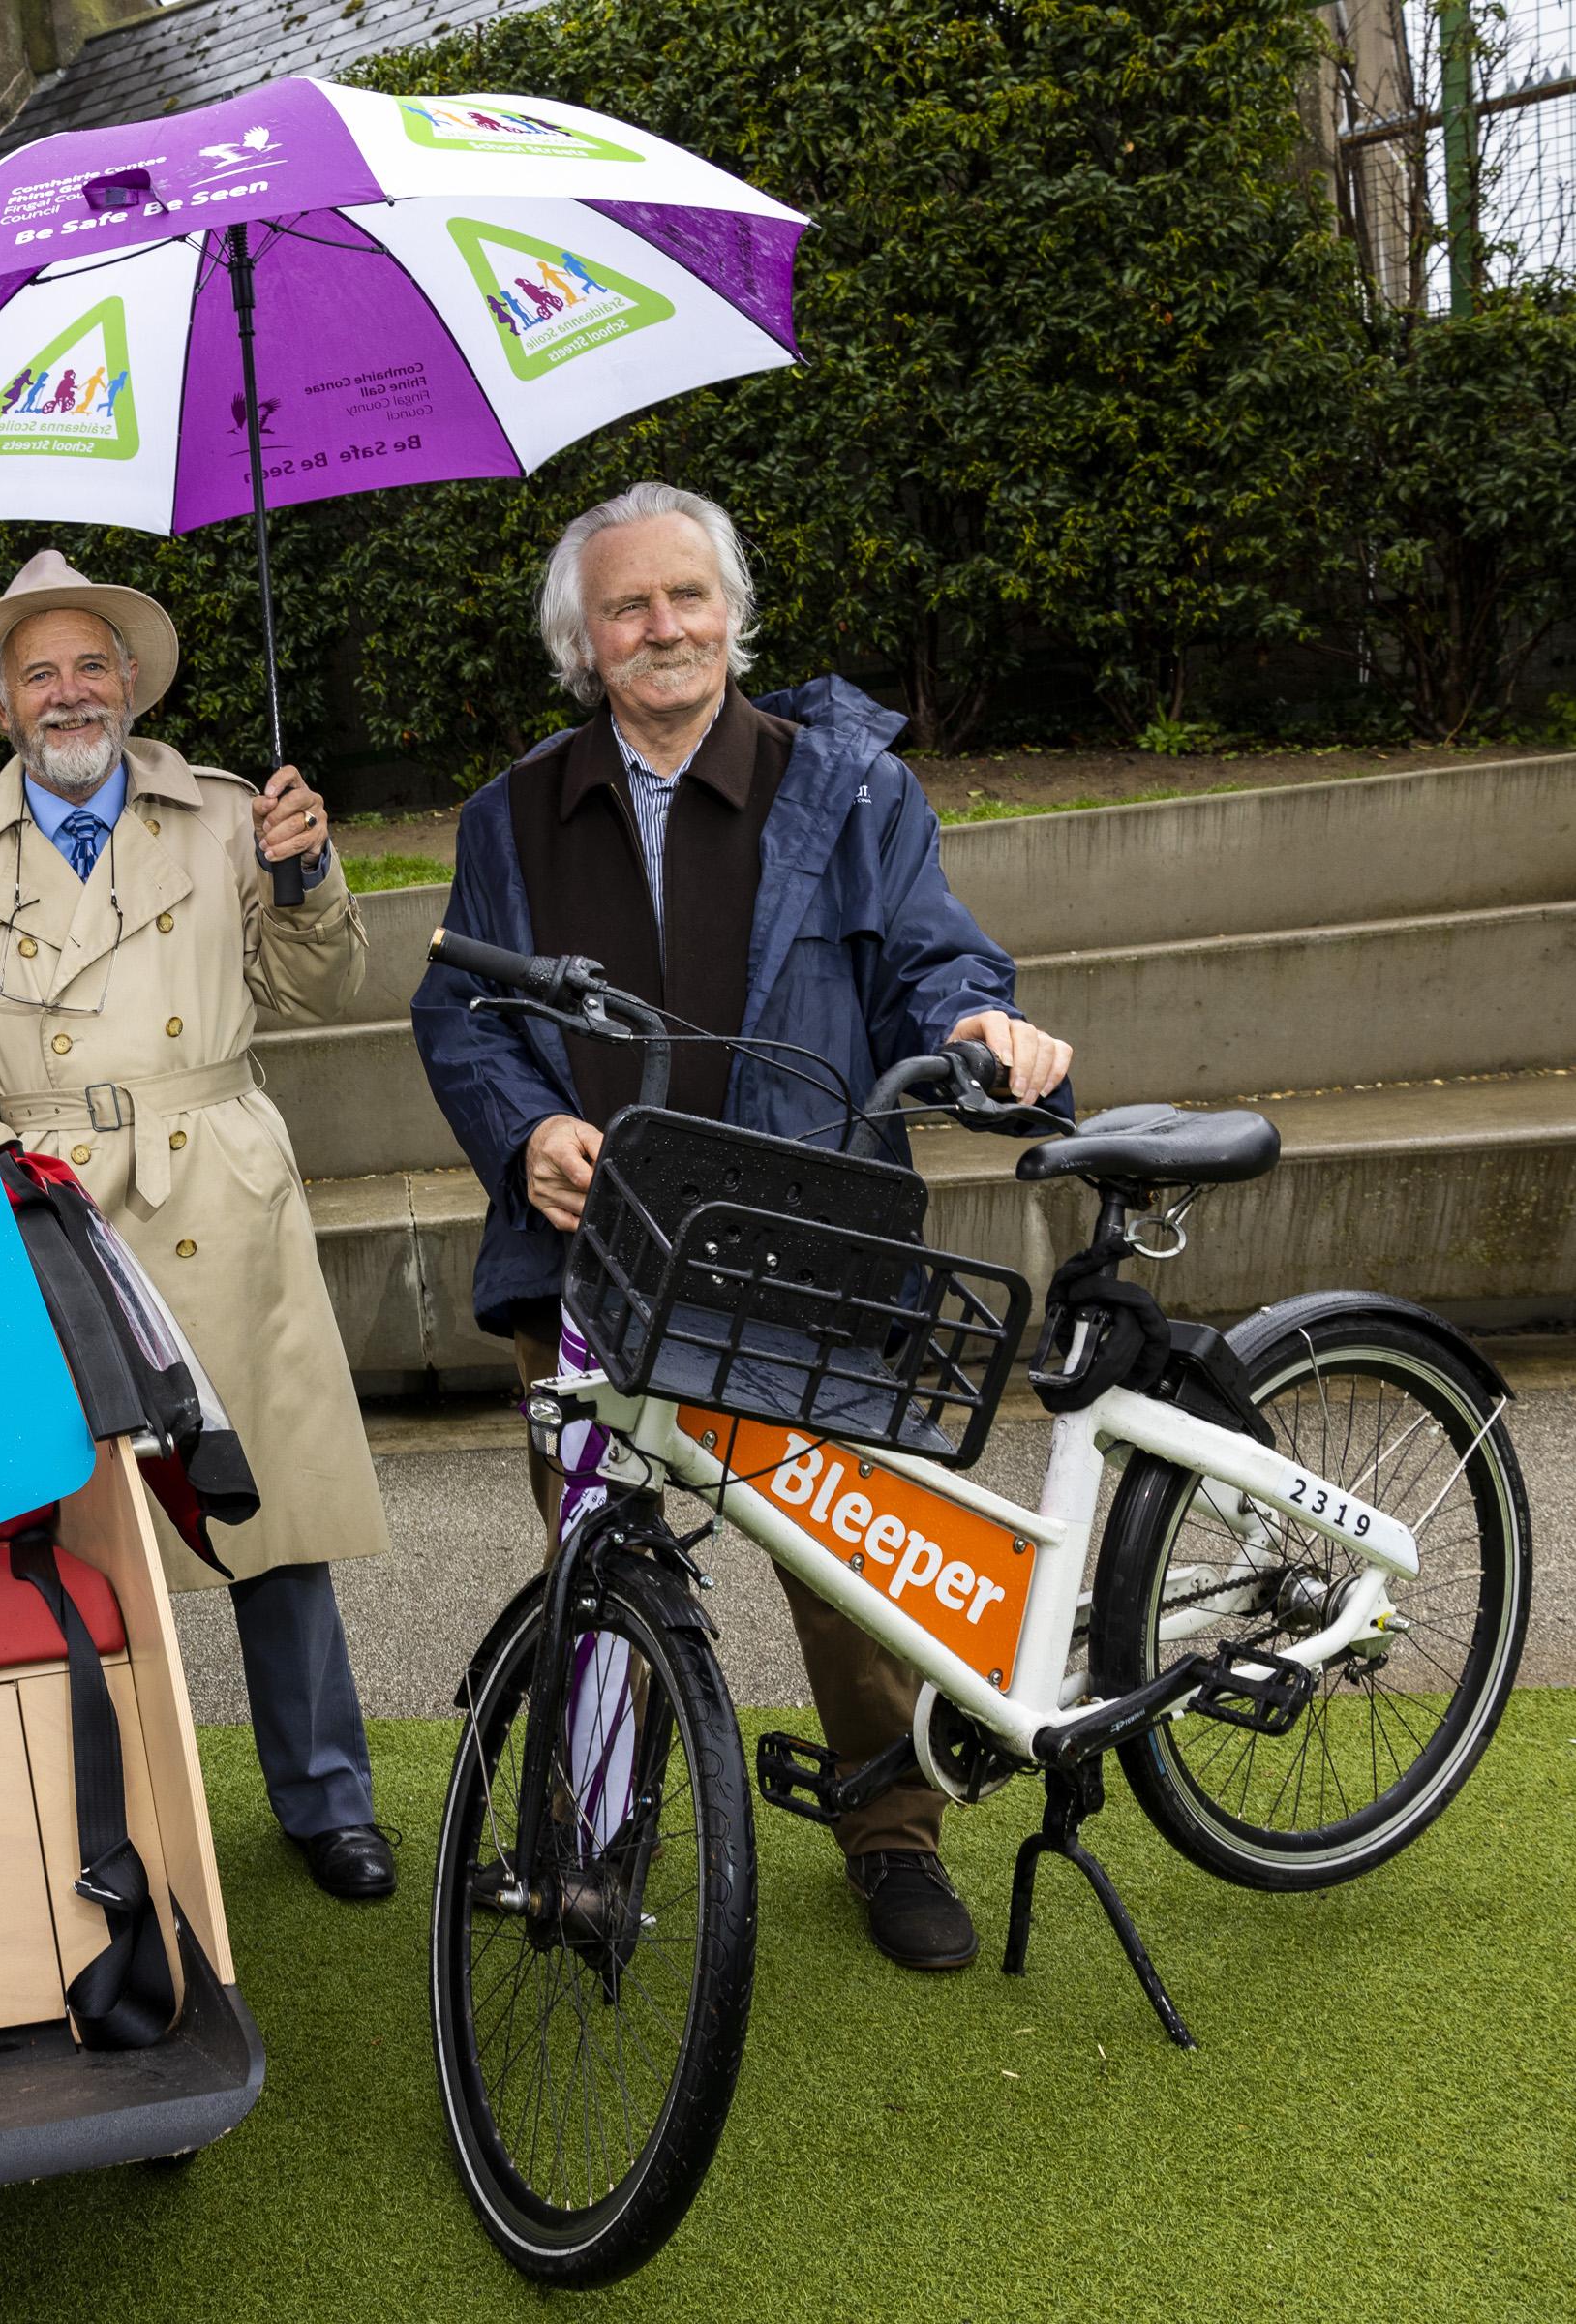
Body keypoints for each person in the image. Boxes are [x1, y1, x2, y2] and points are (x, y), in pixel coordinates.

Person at [409, 480, 1076, 1973]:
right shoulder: (509, 810)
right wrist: (526, 1134)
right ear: (582, 641)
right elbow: (461, 1010)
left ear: (733, 613)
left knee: (845, 1567)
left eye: (688, 598)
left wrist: (982, 1019)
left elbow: (932, 954)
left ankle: (890, 1825)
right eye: (629, 606)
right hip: (602, 1261)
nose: (664, 629)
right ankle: (594, 1832)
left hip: (810, 1242)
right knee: (600, 1556)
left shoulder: (842, 786)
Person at [0, 550, 400, 1903]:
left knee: (270, 1517)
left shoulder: (234, 815)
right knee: (83, 1537)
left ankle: (327, 1798)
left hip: (219, 1183)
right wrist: (5, 1171)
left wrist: (305, 875)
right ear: (0, 705)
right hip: (57, 1215)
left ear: (130, 681)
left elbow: (321, 984)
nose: (70, 692)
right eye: (39, 672)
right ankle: (112, 1823)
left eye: (90, 664)